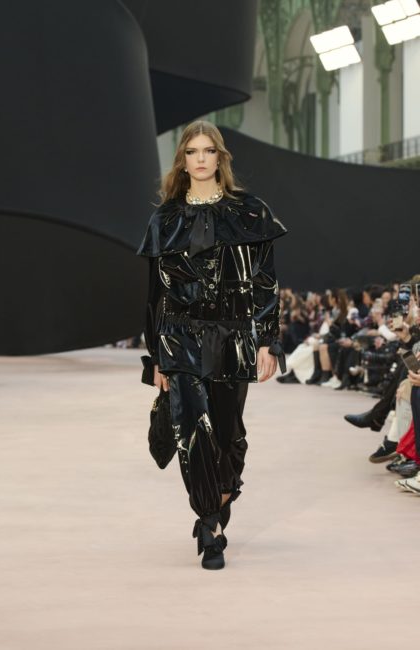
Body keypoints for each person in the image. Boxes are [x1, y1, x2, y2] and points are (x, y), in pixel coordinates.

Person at [136, 120, 287, 570]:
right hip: (179, 334)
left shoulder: (250, 212)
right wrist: (155, 357)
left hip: (232, 334)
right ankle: (208, 524)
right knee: (192, 427)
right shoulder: (165, 220)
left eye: (208, 151)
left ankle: (219, 500)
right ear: (182, 161)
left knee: (228, 433)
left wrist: (268, 340)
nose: (200, 158)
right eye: (192, 152)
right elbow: (154, 295)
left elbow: (265, 281)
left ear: (220, 157)